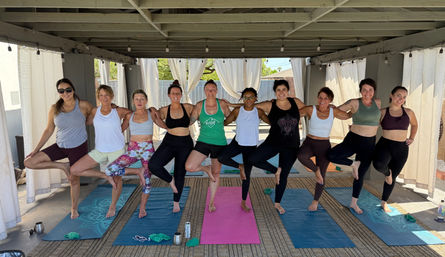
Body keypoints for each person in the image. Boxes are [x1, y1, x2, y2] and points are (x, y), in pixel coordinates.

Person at [24, 78, 94, 219]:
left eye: (68, 90)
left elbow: (96, 116)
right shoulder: (54, 109)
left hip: (78, 146)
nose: (65, 93)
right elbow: (49, 129)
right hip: (60, 145)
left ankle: (74, 209)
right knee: (29, 162)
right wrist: (36, 150)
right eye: (61, 91)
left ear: (73, 90)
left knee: (74, 180)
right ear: (58, 92)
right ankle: (62, 166)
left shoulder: (83, 105)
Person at [70, 85, 131, 218]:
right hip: (100, 150)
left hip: (117, 150)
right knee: (74, 170)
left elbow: (130, 114)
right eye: (101, 95)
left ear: (112, 96)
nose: (104, 98)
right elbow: (86, 122)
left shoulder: (118, 111)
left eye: (107, 95)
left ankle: (112, 206)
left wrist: (122, 128)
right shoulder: (94, 111)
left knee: (117, 179)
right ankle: (105, 176)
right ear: (98, 97)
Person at [105, 89, 167, 218]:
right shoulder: (129, 116)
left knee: (147, 182)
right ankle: (137, 172)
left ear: (146, 101)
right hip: (132, 150)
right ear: (133, 101)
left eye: (142, 99)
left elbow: (162, 124)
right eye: (137, 99)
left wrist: (171, 128)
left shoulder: (151, 113)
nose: (139, 101)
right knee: (110, 169)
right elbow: (120, 129)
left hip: (148, 150)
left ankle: (142, 208)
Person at [249, 79, 305, 214]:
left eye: (284, 89)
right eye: (278, 90)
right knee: (253, 159)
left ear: (288, 91)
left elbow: (309, 110)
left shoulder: (295, 102)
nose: (281, 92)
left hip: (291, 145)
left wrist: (328, 109)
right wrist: (231, 105)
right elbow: (249, 105)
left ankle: (277, 203)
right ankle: (275, 170)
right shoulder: (270, 105)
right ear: (275, 92)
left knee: (284, 176)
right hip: (273, 142)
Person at [327, 78, 381, 214]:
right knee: (330, 155)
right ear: (360, 91)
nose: (367, 93)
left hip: (369, 144)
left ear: (374, 91)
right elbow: (338, 111)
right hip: (353, 140)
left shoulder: (378, 103)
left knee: (360, 176)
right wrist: (347, 113)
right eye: (364, 90)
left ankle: (354, 203)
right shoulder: (354, 102)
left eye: (370, 90)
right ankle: (353, 164)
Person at [297, 87, 351, 211]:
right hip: (310, 142)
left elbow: (347, 116)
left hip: (324, 145)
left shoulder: (334, 111)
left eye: (326, 98)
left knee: (323, 176)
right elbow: (295, 112)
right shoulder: (311, 109)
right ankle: (316, 170)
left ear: (330, 100)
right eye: (320, 97)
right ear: (317, 98)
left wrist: (356, 108)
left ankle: (315, 202)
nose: (322, 100)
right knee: (301, 156)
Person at [218, 88, 270, 212]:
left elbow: (271, 122)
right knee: (221, 157)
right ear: (242, 99)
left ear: (256, 98)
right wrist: (216, 115)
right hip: (237, 142)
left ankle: (243, 202)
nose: (248, 100)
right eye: (245, 97)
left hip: (251, 147)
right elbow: (225, 122)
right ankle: (239, 166)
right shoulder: (237, 111)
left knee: (246, 177)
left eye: (251, 97)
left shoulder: (259, 112)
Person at [148, 80, 195, 213]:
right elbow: (155, 117)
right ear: (169, 95)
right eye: (173, 93)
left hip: (185, 143)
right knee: (153, 165)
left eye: (178, 93)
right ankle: (170, 180)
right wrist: (163, 124)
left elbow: (199, 109)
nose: (176, 95)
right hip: (169, 141)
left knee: (180, 172)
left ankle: (176, 202)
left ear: (181, 95)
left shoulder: (187, 107)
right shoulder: (164, 110)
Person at [185, 80, 231, 213]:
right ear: (204, 91)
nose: (210, 92)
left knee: (216, 174)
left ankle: (211, 202)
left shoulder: (221, 104)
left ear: (216, 91)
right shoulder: (199, 105)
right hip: (203, 142)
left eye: (213, 89)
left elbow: (230, 118)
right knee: (189, 166)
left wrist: (231, 106)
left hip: (220, 143)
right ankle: (206, 169)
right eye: (208, 89)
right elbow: (190, 121)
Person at [372, 86, 417, 212]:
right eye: (398, 95)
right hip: (385, 144)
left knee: (393, 177)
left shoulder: (409, 112)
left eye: (404, 97)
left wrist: (412, 137)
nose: (401, 99)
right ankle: (388, 173)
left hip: (401, 148)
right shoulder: (382, 112)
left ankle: (384, 201)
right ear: (391, 95)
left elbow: (414, 124)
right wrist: (355, 128)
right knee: (378, 164)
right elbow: (371, 125)